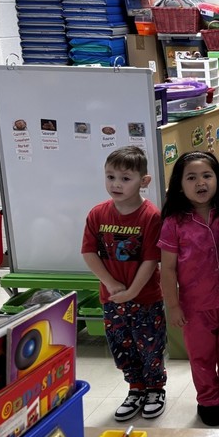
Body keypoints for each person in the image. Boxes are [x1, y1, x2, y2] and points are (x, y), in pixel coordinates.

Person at [159, 151, 219, 427]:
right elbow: (168, 268)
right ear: (179, 184)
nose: (201, 183)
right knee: (202, 357)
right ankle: (208, 400)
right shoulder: (174, 222)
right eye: (192, 177)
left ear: (218, 179)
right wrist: (172, 305)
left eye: (207, 176)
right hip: (194, 308)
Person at [81, 145, 167, 421]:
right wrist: (111, 284)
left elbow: (151, 260)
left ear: (144, 182)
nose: (116, 184)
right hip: (113, 298)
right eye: (110, 177)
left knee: (150, 345)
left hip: (146, 298)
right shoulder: (97, 213)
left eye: (125, 178)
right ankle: (135, 388)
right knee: (122, 345)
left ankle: (155, 389)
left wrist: (132, 291)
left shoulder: (151, 216)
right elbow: (88, 252)